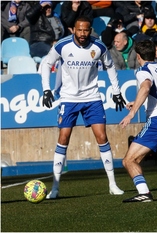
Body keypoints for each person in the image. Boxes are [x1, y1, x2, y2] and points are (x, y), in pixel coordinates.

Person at [40, 15, 126, 199]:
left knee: (102, 136)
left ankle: (112, 184)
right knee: (63, 138)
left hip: (92, 97)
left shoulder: (99, 46)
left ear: (90, 30)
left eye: (86, 30)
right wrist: (46, 90)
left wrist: (117, 91)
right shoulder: (62, 45)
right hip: (69, 98)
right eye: (79, 30)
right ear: (73, 29)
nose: (82, 33)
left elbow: (110, 67)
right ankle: (55, 188)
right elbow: (46, 64)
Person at [120, 40, 157, 202]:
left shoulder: (142, 71)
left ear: (138, 56)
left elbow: (146, 87)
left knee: (129, 160)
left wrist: (131, 114)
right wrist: (135, 102)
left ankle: (144, 193)